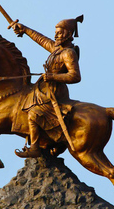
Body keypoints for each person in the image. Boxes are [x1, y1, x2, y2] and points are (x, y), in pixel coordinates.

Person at [11, 15, 84, 158]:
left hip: (55, 92)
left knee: (33, 114)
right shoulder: (57, 49)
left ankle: (35, 147)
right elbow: (41, 39)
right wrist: (24, 29)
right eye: (56, 32)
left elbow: (75, 76)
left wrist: (53, 76)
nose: (56, 35)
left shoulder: (68, 53)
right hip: (45, 89)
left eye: (60, 32)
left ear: (69, 34)